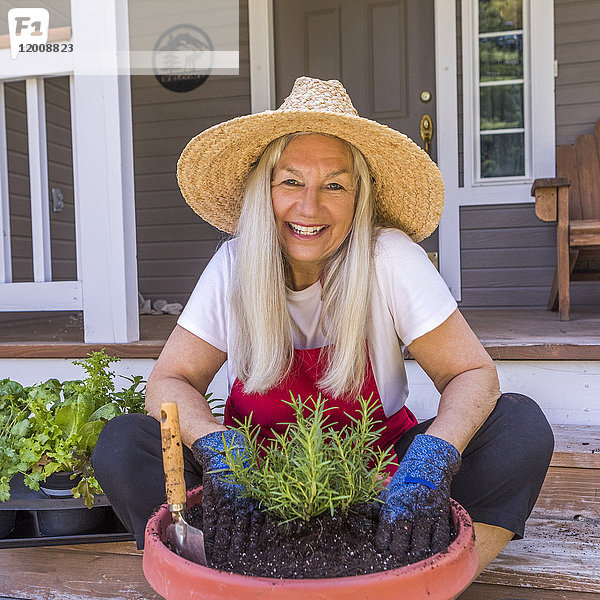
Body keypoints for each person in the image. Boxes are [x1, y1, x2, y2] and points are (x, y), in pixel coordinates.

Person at [91, 77, 554, 578]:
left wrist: (432, 458)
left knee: (519, 428)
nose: (309, 207)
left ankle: (431, 576)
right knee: (124, 444)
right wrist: (217, 448)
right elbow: (169, 381)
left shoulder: (389, 257)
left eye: (335, 185)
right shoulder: (235, 264)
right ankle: (220, 568)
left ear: (360, 197)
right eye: (291, 181)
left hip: (379, 482)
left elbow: (472, 373)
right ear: (263, 190)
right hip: (256, 487)